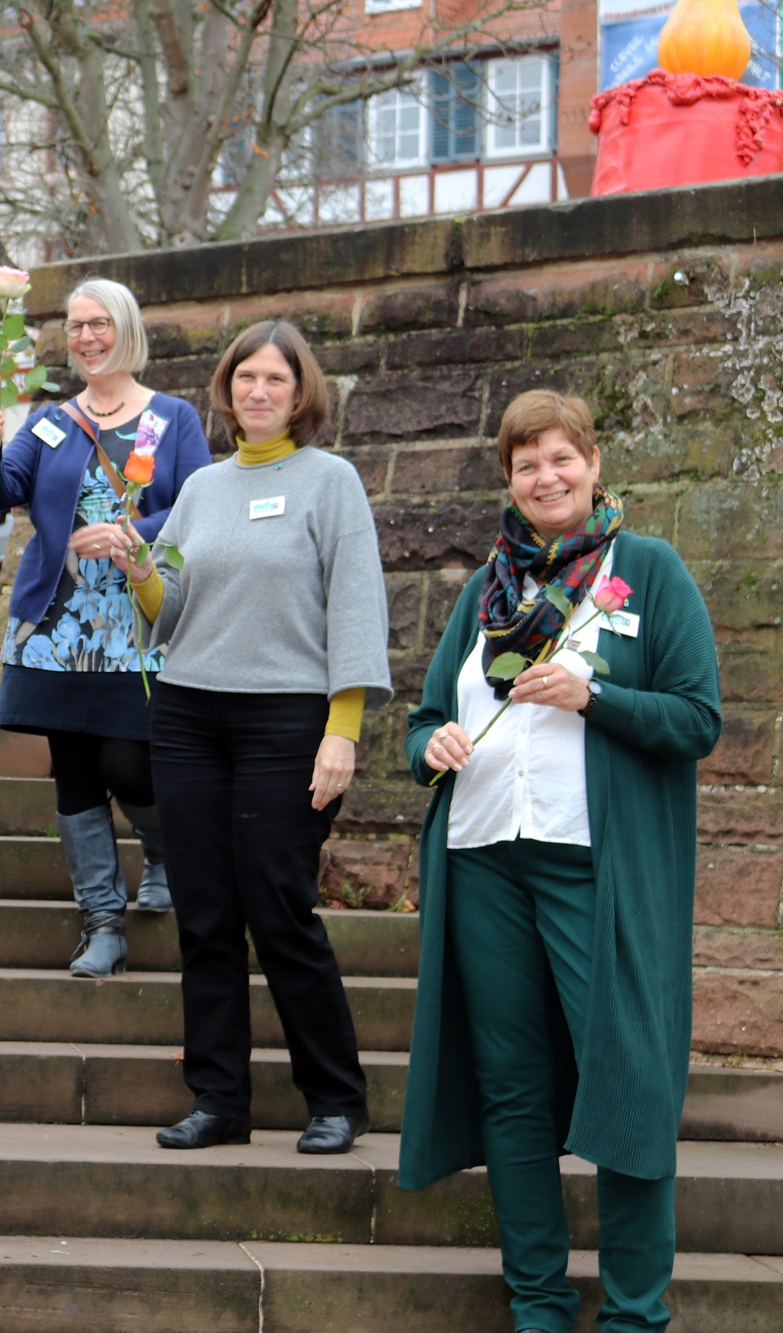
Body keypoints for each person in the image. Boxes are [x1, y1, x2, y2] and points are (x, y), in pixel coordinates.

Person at [404, 391, 720, 1333]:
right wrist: (431, 745)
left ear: (593, 463)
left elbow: (698, 719)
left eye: (561, 458)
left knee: (625, 1073)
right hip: (483, 860)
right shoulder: (484, 589)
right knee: (511, 1081)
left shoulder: (648, 572)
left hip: (595, 868)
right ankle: (538, 1298)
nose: (546, 477)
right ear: (509, 478)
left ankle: (633, 1312)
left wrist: (595, 699)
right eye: (526, 463)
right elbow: (427, 715)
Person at [111, 320, 389, 1155]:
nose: (258, 392)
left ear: (302, 393)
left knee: (278, 907)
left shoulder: (330, 481)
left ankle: (337, 1097)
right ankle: (219, 1097)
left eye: (275, 379)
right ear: (226, 392)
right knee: (204, 913)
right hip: (192, 713)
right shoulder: (201, 487)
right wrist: (138, 572)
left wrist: (342, 731)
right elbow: (171, 613)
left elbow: (356, 607)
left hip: (289, 718)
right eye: (245, 379)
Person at [0, 279, 211, 977]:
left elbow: (199, 502)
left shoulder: (172, 416)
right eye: (76, 326)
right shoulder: (50, 421)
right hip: (55, 624)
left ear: (127, 329)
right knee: (73, 768)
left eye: (100, 323)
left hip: (138, 620)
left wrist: (131, 534)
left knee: (129, 761)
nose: (87, 337)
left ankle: (162, 851)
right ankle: (101, 923)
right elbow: (0, 495)